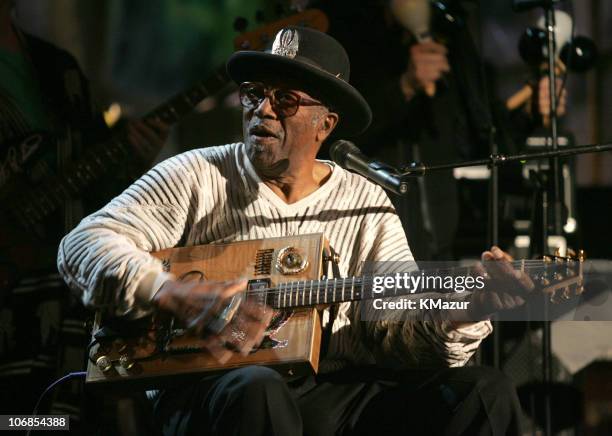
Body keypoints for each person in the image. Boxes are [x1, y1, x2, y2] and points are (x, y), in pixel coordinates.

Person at [58, 27, 528, 435]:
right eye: (254, 93)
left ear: (326, 123)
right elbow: (83, 243)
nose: (263, 109)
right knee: (258, 389)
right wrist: (173, 293)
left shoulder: (362, 201)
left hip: (331, 392)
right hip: (210, 385)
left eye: (284, 99)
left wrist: (468, 308)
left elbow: (398, 328)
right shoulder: (197, 174)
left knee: (483, 391)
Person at [0, 0, 168, 420]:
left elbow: (99, 186)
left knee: (65, 417)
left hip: (61, 294)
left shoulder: (58, 68)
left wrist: (133, 155)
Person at [315, 0, 567, 261]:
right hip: (363, 236)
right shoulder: (342, 28)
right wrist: (405, 87)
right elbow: (333, 132)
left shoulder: (452, 36)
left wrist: (529, 114)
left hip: (439, 241)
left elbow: (479, 139)